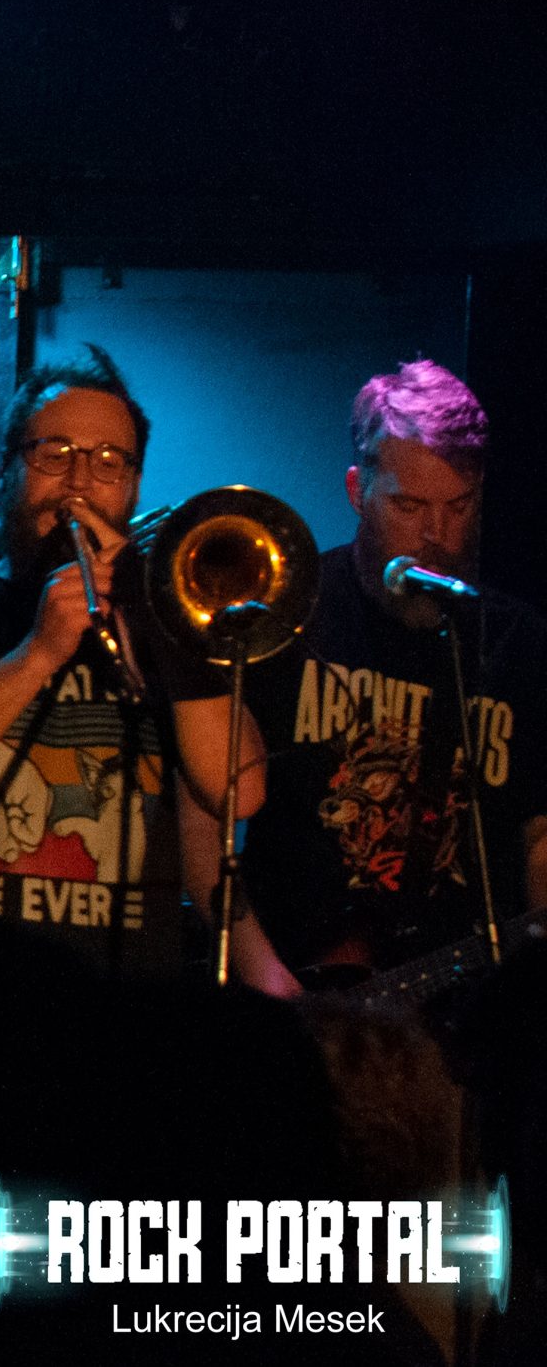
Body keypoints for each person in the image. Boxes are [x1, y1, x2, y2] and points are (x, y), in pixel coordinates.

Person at [0, 345, 260, 977]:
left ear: (134, 487)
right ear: (7, 470)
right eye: (54, 454)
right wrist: (36, 655)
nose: (79, 482)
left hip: (118, 1002)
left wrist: (164, 623)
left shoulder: (167, 634)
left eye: (108, 462)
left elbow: (241, 791)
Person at [242, 360, 547, 991]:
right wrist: (265, 975)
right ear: (358, 491)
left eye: (459, 506)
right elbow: (212, 814)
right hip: (305, 990)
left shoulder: (516, 642)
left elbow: (539, 831)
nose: (437, 536)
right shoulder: (293, 614)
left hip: (465, 999)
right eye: (408, 506)